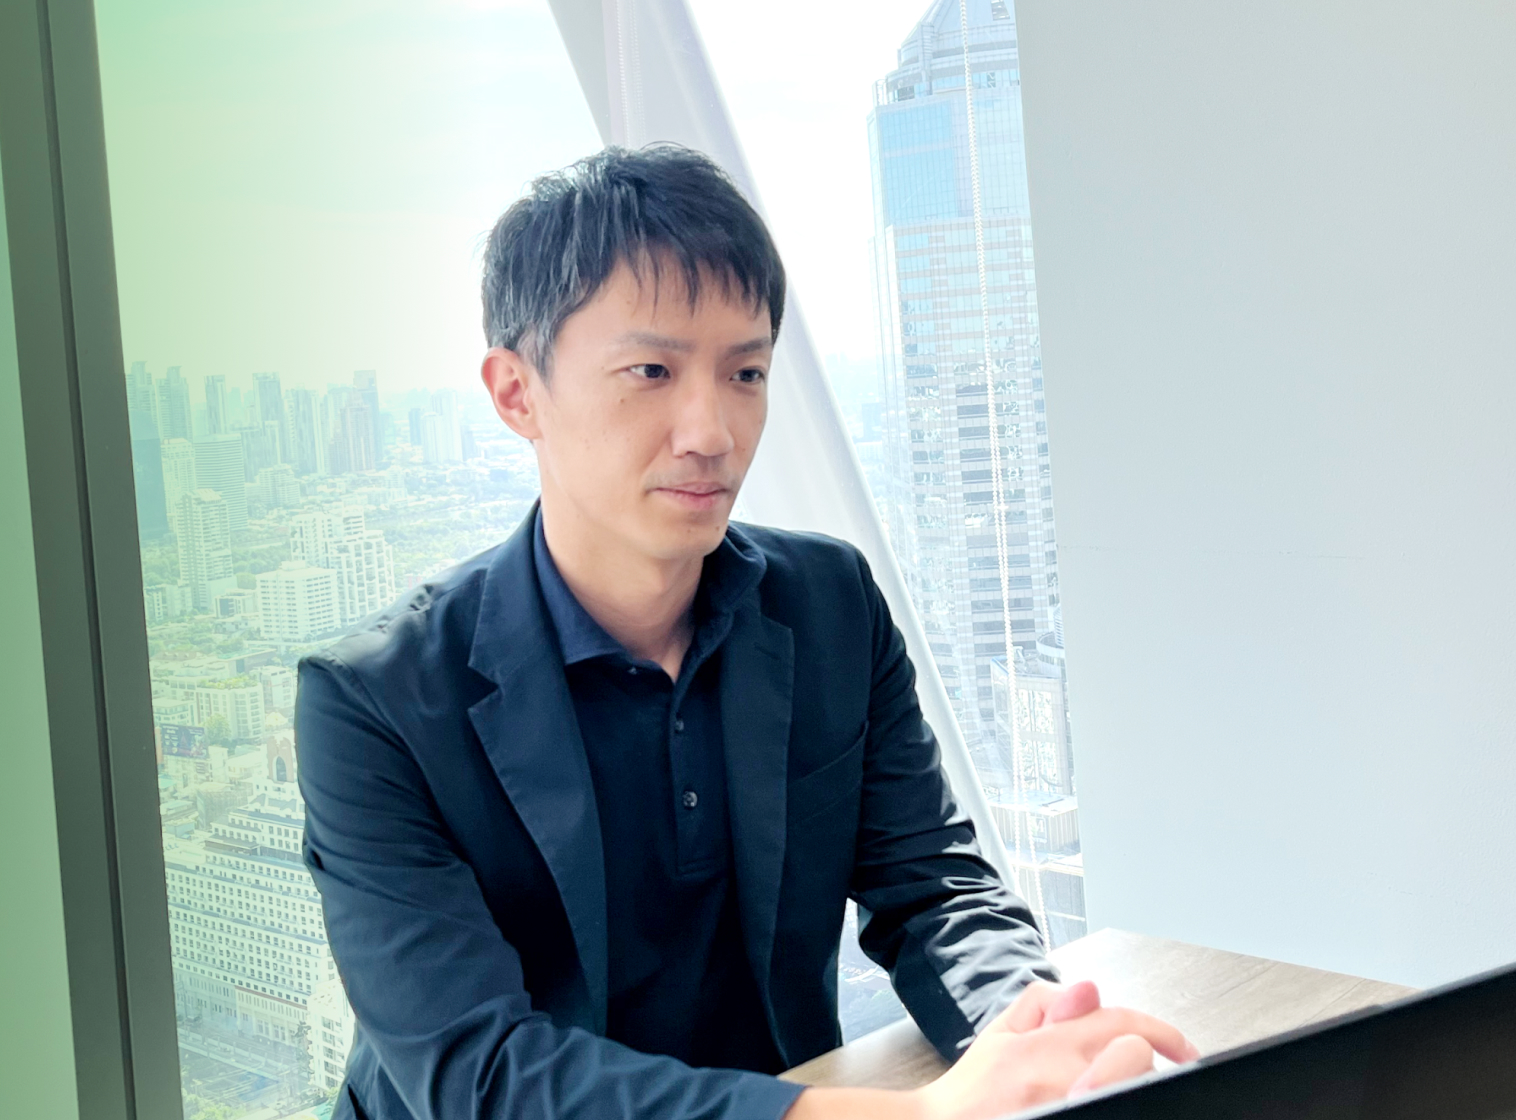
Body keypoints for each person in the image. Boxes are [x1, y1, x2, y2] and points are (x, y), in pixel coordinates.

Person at [292, 144, 1192, 1120]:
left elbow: (933, 888)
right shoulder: (375, 701)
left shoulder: (829, 604)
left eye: (745, 372)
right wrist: (916, 1117)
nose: (711, 431)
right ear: (517, 393)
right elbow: (481, 1073)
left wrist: (1038, 1038)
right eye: (650, 370)